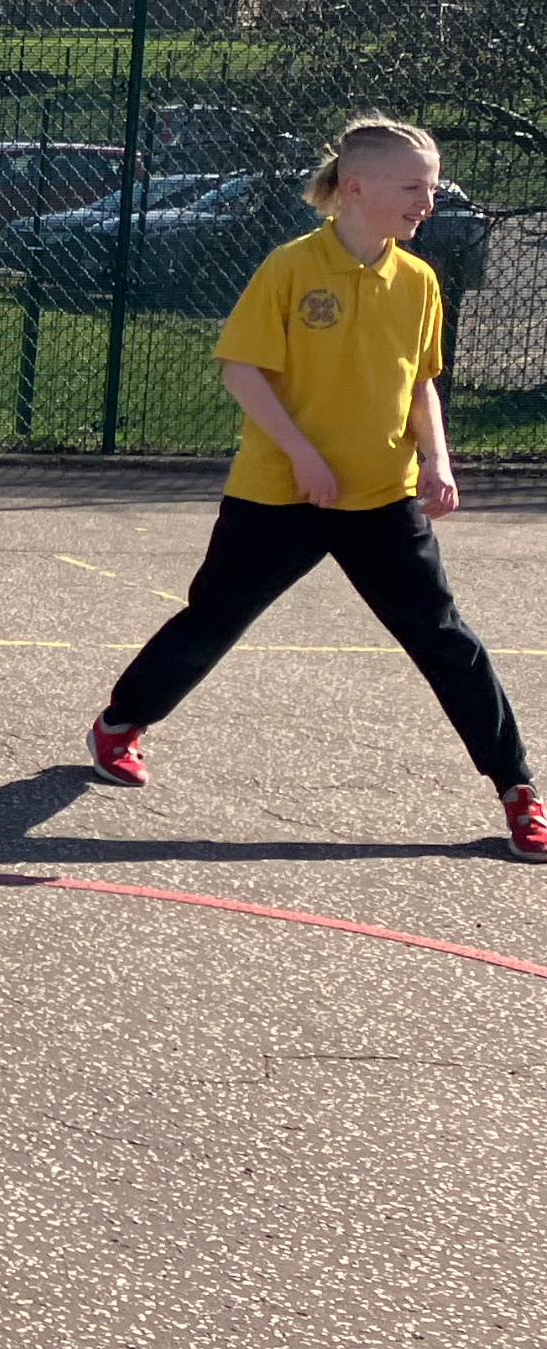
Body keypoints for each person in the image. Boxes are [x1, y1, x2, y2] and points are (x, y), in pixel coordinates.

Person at [88, 115, 543, 858]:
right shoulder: (292, 267)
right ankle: (120, 724)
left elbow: (421, 380)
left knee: (445, 641)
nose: (428, 200)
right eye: (413, 186)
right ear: (355, 189)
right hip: (280, 494)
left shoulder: (419, 279)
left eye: (430, 186)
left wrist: (438, 461)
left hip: (381, 498)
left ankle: (517, 788)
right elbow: (244, 371)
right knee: (214, 620)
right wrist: (301, 454)